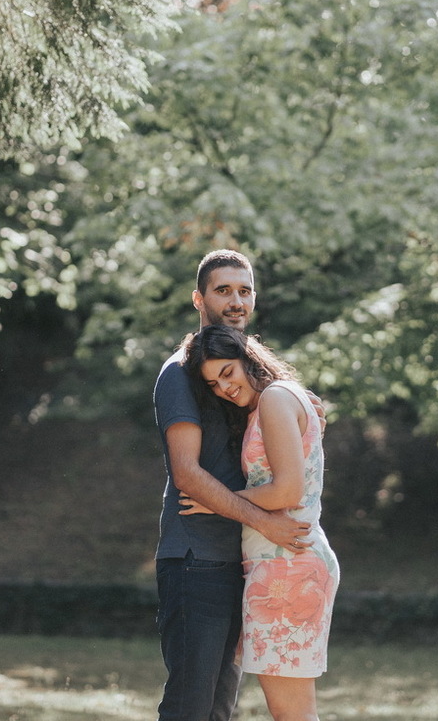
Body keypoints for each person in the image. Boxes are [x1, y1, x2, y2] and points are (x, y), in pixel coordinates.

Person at [153, 249, 313, 721]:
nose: (236, 301)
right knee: (190, 706)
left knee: (219, 708)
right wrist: (265, 521)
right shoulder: (181, 372)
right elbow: (187, 473)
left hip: (240, 561)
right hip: (194, 558)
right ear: (198, 299)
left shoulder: (246, 376)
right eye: (223, 290)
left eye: (245, 291)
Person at [180, 324, 340, 721]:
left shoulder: (275, 398)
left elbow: (286, 491)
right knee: (293, 712)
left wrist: (215, 501)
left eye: (228, 373)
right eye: (214, 384)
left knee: (293, 714)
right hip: (281, 563)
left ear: (249, 359)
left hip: (288, 566)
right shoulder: (271, 403)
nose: (224, 388)